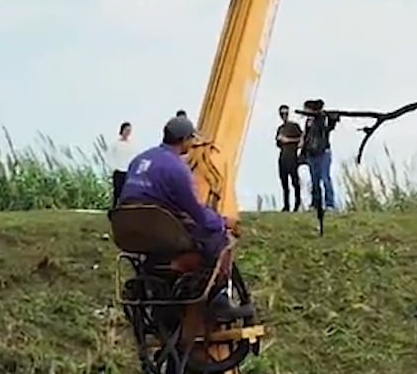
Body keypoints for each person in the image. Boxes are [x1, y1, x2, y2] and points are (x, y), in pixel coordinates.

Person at [118, 115, 249, 323]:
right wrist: (223, 222)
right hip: (157, 227)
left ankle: (162, 286)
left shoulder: (140, 159)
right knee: (217, 239)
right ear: (185, 140)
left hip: (127, 227)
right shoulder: (177, 168)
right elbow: (197, 212)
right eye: (191, 140)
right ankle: (219, 300)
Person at [300, 99, 337, 211]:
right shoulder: (308, 122)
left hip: (323, 152)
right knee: (314, 181)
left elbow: (329, 128)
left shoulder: (321, 119)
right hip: (312, 154)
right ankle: (315, 204)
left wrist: (332, 119)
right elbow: (306, 138)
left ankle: (329, 204)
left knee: (325, 178)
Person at [275, 105, 304, 213]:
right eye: (282, 114)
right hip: (283, 157)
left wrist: (289, 140)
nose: (284, 116)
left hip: (292, 157)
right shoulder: (280, 128)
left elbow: (302, 139)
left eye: (286, 113)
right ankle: (286, 205)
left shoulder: (294, 126)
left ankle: (297, 204)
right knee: (284, 183)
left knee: (295, 182)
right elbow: (278, 143)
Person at [106, 121, 136, 211]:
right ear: (122, 130)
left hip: (128, 171)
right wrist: (113, 167)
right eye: (126, 130)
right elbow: (109, 156)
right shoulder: (115, 144)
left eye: (129, 130)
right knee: (117, 191)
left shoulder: (132, 144)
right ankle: (115, 208)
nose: (128, 132)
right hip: (119, 170)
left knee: (126, 191)